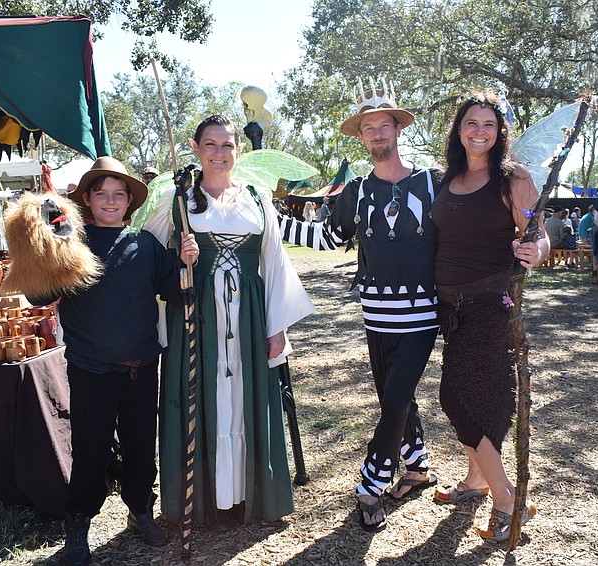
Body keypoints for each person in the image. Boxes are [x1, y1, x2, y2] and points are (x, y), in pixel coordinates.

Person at [279, 78, 439, 532]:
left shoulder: (433, 184)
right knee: (395, 397)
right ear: (361, 136)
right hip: (375, 314)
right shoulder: (357, 192)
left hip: (421, 315)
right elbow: (328, 237)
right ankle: (417, 466)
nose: (377, 135)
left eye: (384, 125)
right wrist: (273, 222)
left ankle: (371, 484)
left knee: (393, 402)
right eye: (368, 128)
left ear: (397, 129)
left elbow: (465, 231)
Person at [25, 157, 199, 566]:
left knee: (141, 446)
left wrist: (188, 262)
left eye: (118, 194)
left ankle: (140, 511)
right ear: (86, 199)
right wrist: (44, 256)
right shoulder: (71, 245)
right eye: (101, 193)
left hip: (140, 367)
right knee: (91, 450)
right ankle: (79, 524)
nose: (110, 201)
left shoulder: (145, 245)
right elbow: (36, 296)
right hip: (91, 370)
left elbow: (178, 291)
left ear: (129, 202)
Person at [159, 115, 314, 531]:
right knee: (206, 396)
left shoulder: (257, 200)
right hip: (197, 317)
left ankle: (249, 495)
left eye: (227, 145)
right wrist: (181, 259)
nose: (219, 152)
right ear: (195, 148)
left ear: (237, 151)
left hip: (247, 317)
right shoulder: (177, 202)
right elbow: (152, 266)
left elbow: (274, 262)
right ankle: (207, 499)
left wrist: (275, 325)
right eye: (210, 145)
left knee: (245, 399)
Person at [430, 91, 547, 542]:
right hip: (449, 308)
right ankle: (476, 479)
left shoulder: (512, 180)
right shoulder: (447, 178)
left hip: (491, 304)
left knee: (457, 399)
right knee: (478, 397)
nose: (480, 131)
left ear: (500, 133)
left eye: (489, 124)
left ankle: (506, 498)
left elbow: (539, 238)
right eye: (471, 123)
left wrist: (532, 251)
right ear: (458, 130)